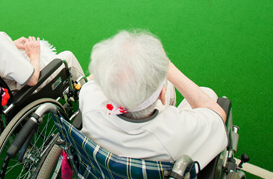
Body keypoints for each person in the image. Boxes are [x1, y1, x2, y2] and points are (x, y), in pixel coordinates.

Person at [79, 30, 227, 168]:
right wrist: (168, 67)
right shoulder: (175, 132)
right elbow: (218, 114)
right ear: (161, 95)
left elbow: (93, 81)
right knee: (207, 93)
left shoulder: (89, 98)